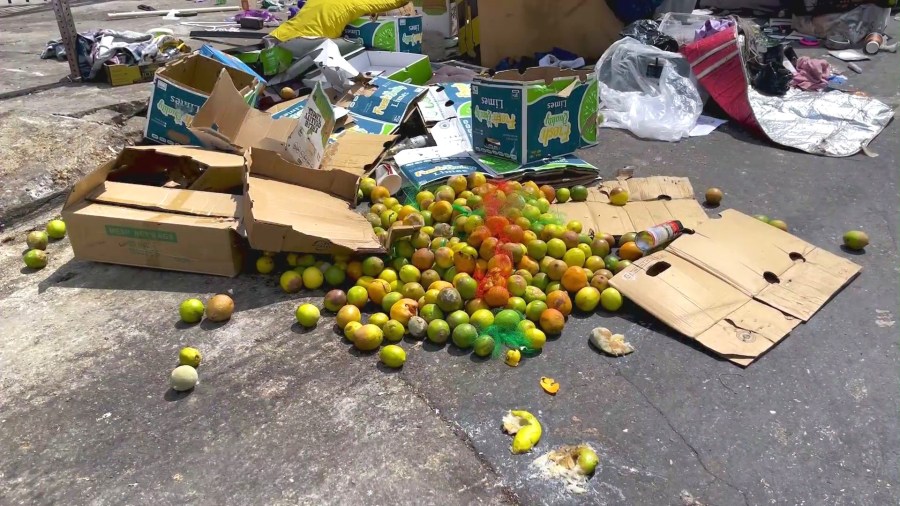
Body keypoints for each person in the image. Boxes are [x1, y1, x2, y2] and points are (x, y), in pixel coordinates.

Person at [269, 0, 411, 53]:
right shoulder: (353, 4)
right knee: (358, 47)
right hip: (303, 43)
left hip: (276, 36)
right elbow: (388, 3)